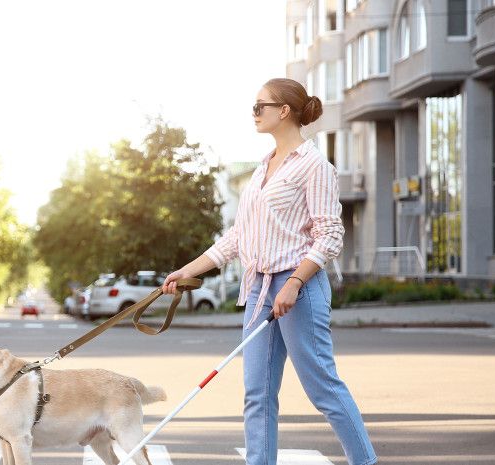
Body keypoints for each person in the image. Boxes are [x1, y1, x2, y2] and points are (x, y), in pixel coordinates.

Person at [161, 78, 378, 465]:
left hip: (299, 288)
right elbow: (238, 238)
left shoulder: (314, 166)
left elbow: (330, 235)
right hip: (258, 289)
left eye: (261, 106)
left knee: (322, 388)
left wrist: (294, 282)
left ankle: (366, 461)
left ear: (284, 111)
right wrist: (185, 270)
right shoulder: (262, 169)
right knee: (257, 393)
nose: (254, 113)